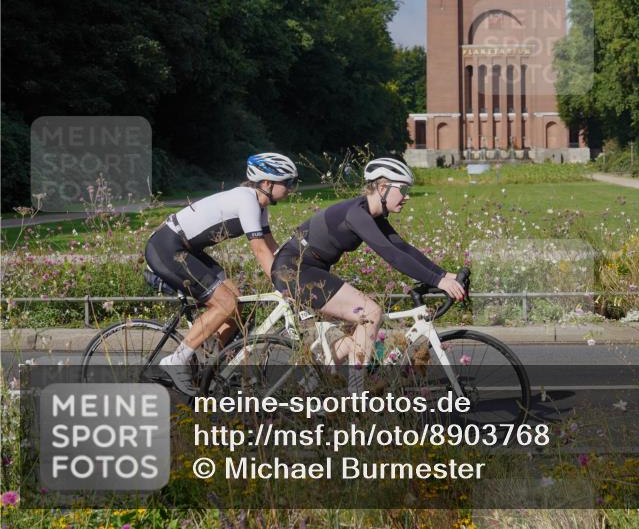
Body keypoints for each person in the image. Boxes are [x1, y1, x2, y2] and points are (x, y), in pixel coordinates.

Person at [270, 157, 465, 390]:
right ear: (382, 188)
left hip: (309, 269)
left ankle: (311, 384)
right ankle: (356, 396)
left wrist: (445, 275)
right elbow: (391, 255)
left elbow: (402, 248)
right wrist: (438, 281)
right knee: (370, 313)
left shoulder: (371, 213)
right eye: (403, 190)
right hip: (294, 270)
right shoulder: (357, 214)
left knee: (360, 334)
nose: (407, 196)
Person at [145, 153, 298, 394]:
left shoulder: (260, 206)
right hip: (167, 247)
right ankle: (176, 360)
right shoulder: (246, 200)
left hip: (188, 249)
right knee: (226, 303)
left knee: (237, 303)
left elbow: (271, 247)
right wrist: (283, 285)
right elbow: (259, 250)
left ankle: (209, 363)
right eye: (288, 183)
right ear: (267, 183)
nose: (292, 188)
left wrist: (295, 273)